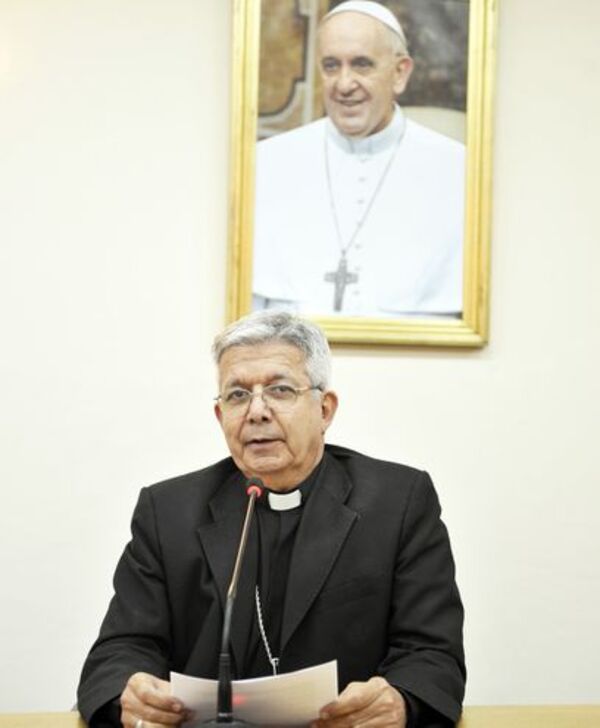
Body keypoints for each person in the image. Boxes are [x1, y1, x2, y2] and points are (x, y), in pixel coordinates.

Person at [78, 309, 465, 727]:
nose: (257, 412)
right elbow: (119, 650)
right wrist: (129, 692)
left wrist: (401, 701)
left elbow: (432, 654)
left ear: (325, 410)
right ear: (220, 415)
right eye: (238, 395)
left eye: (280, 390)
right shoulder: (167, 511)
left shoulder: (398, 502)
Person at [253, 1, 465, 317]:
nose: (344, 84)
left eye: (362, 64)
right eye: (331, 65)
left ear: (400, 73)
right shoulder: (267, 163)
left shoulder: (457, 170)